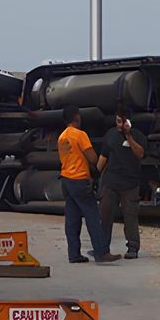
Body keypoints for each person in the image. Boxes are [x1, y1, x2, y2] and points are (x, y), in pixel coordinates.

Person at [57, 108, 118, 263]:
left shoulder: (62, 137)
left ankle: (74, 254)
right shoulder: (80, 135)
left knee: (72, 219)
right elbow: (92, 158)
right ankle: (101, 252)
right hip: (80, 180)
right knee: (93, 217)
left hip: (66, 181)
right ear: (77, 117)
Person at [96, 103, 146, 260]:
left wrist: (128, 136)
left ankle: (132, 248)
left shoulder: (137, 136)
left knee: (130, 217)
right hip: (111, 183)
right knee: (104, 216)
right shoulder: (110, 135)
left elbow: (140, 154)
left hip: (130, 184)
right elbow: (103, 158)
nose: (119, 124)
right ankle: (102, 248)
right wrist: (96, 173)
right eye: (117, 121)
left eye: (122, 121)